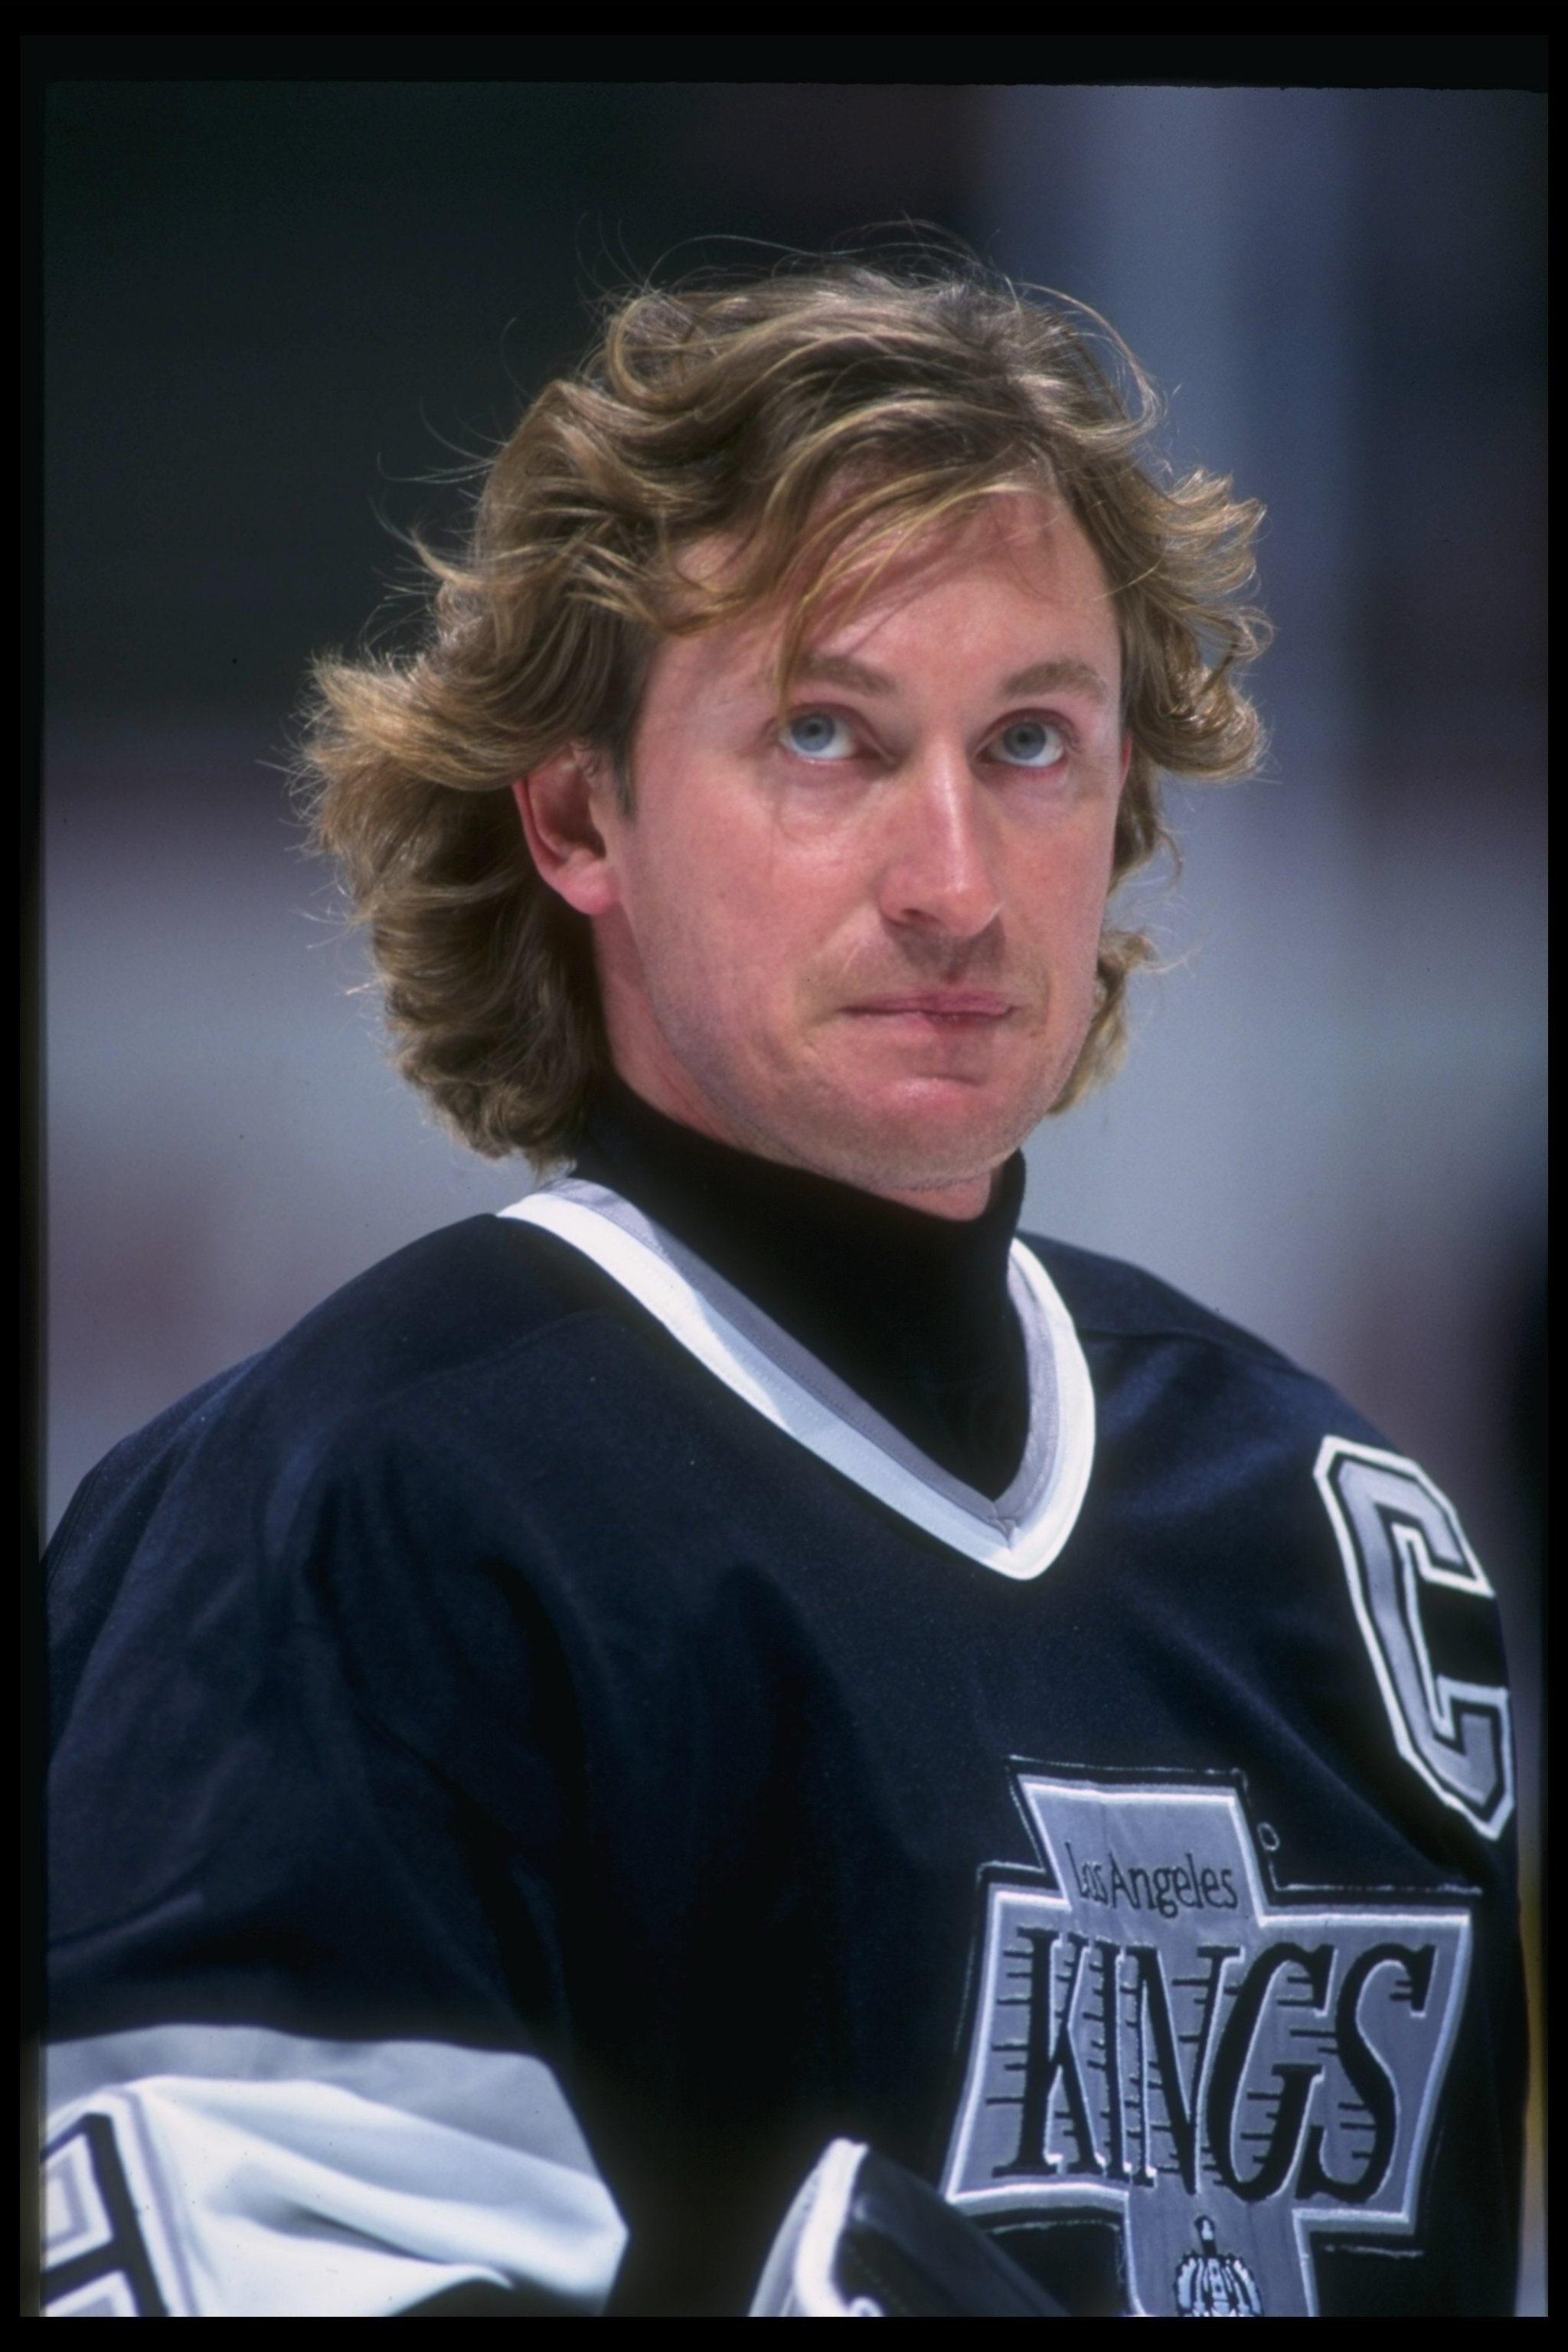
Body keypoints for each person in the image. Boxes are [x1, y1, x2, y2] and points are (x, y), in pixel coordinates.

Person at [42, 260, 1524, 2318]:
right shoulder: (354, 1522)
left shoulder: (1342, 1555)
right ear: (578, 814)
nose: (951, 877)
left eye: (1032, 744)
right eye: (826, 735)